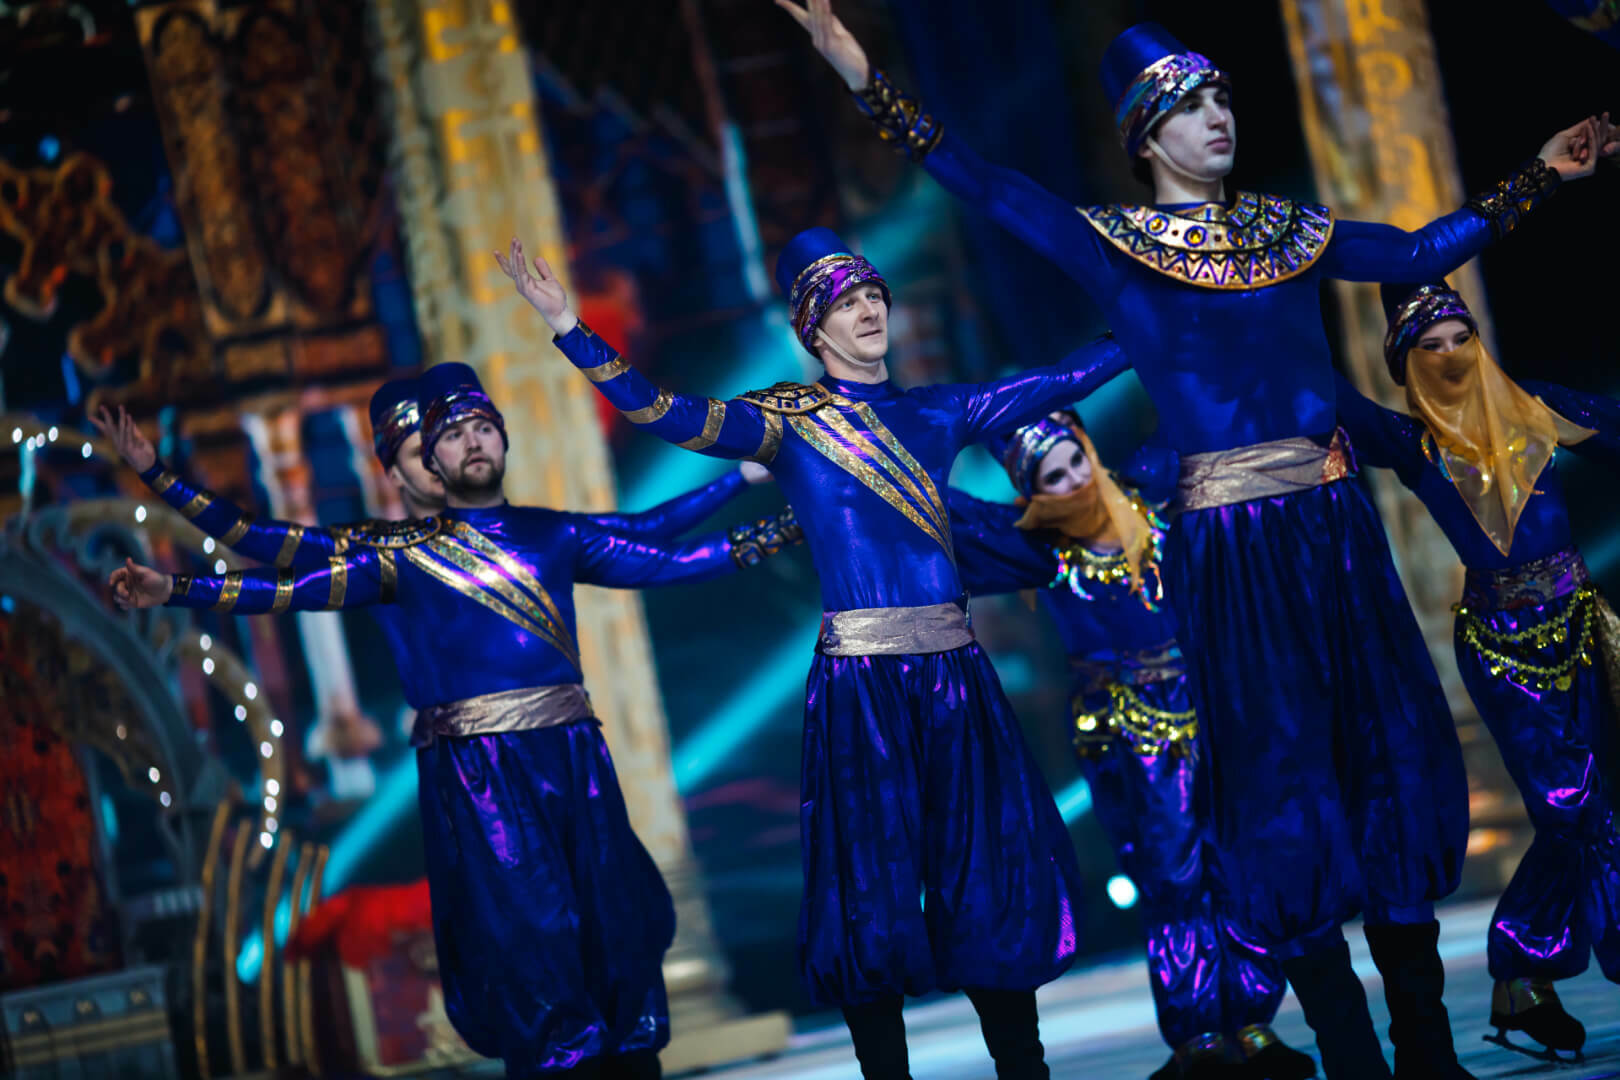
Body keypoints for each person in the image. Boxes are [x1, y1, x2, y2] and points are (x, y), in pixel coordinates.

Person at [779, 4, 1617, 1076]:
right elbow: (983, 183)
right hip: (1233, 545)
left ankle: (1426, 1051)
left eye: (1221, 96)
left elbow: (1414, 251)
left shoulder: (1288, 231)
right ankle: (1352, 1054)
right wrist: (867, 82)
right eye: (1189, 104)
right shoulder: (1116, 250)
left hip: (1335, 529)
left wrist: (1541, 174)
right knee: (1280, 788)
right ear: (1145, 134)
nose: (1217, 115)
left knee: (1389, 759)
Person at [497, 228, 1128, 1079]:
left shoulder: (937, 410)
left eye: (873, 296)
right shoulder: (788, 421)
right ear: (812, 329)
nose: (867, 311)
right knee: (868, 888)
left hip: (956, 677)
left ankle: (1025, 1069)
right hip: (860, 686)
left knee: (987, 870)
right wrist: (569, 328)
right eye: (846, 303)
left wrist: (1153, 308)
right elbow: (666, 412)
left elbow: (1060, 379)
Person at [109, 363, 802, 1080]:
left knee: (614, 920)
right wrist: (169, 538)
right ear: (417, 468)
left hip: (572, 756)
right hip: (481, 774)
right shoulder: (394, 554)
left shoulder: (544, 533)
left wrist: (760, 500)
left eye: (480, 429)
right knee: (530, 940)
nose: (467, 446)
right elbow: (273, 563)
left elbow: (649, 539)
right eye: (443, 439)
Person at [948, 411, 1313, 1080]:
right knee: (1171, 877)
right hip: (1124, 732)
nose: (1072, 481)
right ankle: (1199, 1035)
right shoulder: (1038, 546)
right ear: (1032, 492)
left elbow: (1187, 415)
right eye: (1052, 478)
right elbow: (949, 509)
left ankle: (1253, 1022)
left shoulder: (1150, 505)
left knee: (1233, 862)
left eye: (1076, 462)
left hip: (1206, 710)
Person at [91, 381, 772, 716]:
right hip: (469, 762)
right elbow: (262, 550)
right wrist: (160, 486)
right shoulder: (379, 551)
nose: (445, 457)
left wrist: (744, 484)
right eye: (428, 449)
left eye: (457, 438)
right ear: (397, 471)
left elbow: (644, 535)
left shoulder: (535, 531)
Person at [1333, 280, 1620, 1064]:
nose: (1452, 354)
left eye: (1462, 337)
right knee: (1571, 803)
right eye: (1430, 345)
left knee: (1594, 806)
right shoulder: (1412, 444)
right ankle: (1523, 961)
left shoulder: (1539, 408)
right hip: (1500, 645)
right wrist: (1252, 304)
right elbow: (1323, 392)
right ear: (1404, 364)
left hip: (1580, 629)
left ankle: (1522, 979)